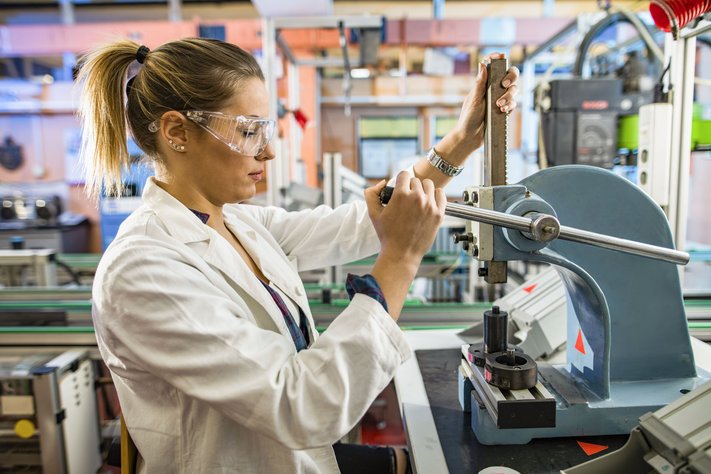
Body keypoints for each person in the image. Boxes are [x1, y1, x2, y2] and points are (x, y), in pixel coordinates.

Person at [79, 38, 518, 474]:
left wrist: (460, 142)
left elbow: (361, 223)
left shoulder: (238, 222)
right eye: (249, 131)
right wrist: (401, 259)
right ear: (177, 132)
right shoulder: (143, 270)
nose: (267, 150)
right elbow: (301, 406)